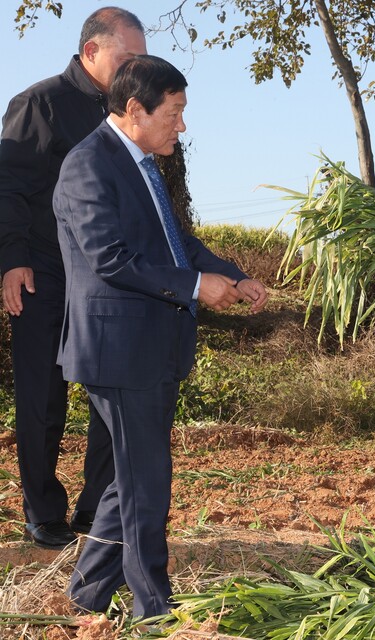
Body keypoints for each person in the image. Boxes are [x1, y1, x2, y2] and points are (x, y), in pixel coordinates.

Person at [54, 54, 268, 618]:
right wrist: (198, 288)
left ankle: (88, 591)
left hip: (151, 348)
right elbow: (111, 258)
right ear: (134, 109)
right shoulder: (88, 165)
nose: (182, 125)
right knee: (147, 481)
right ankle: (154, 608)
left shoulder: (147, 165)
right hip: (119, 350)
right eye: (173, 113)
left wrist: (235, 275)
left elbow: (181, 246)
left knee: (131, 477)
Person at [0, 7, 147, 549]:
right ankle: (44, 511)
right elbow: (10, 187)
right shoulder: (39, 104)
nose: (138, 67)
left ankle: (93, 509)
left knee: (109, 395)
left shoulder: (128, 113)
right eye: (128, 57)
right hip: (43, 277)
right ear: (92, 52)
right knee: (43, 398)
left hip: (107, 281)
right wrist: (12, 260)